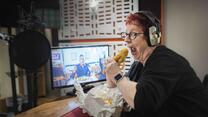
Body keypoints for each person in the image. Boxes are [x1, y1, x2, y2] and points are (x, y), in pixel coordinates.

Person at [105, 11, 208, 117]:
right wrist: (110, 72)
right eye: (126, 35)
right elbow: (119, 89)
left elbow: (142, 101)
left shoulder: (166, 62)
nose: (126, 40)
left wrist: (117, 75)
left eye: (133, 34)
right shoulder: (139, 64)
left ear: (152, 37)